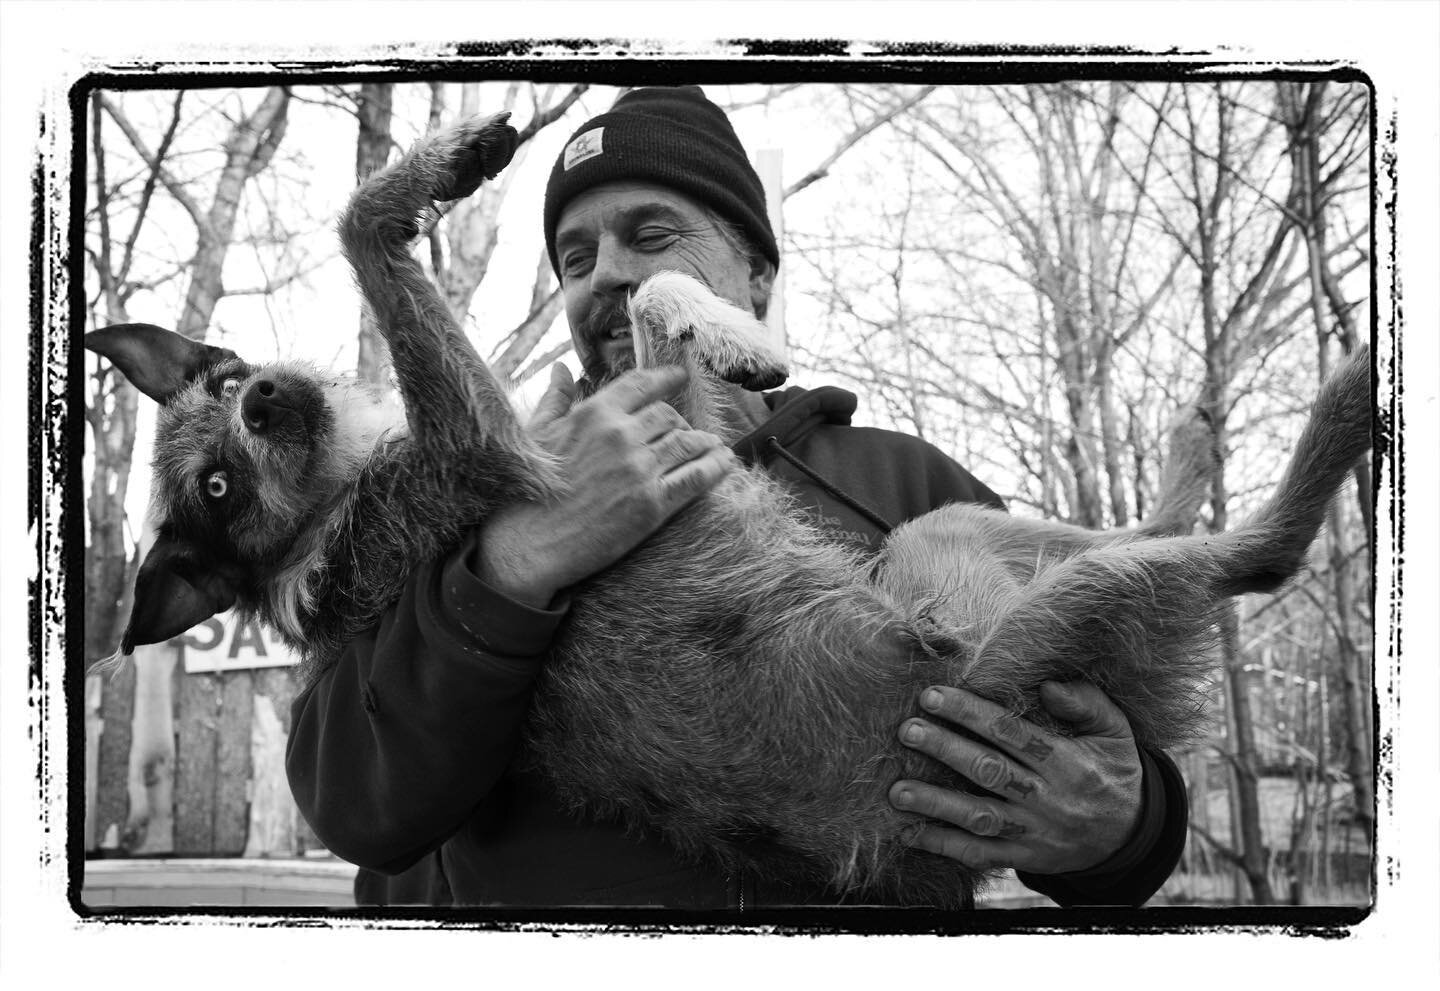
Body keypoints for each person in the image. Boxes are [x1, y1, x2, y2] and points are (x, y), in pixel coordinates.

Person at [286, 85, 1187, 910]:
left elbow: (1115, 744)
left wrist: (1124, 826)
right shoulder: (467, 514)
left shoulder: (900, 480)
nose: (605, 274)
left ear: (756, 275)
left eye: (651, 235)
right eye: (574, 256)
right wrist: (516, 561)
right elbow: (356, 804)